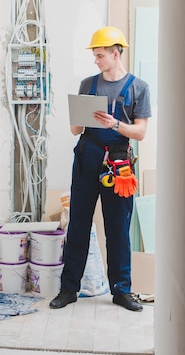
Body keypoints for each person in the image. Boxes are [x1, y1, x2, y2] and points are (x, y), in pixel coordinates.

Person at [49, 26, 152, 311]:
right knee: (79, 225)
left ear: (115, 53)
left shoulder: (138, 88)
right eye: (95, 56)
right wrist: (80, 118)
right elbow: (74, 129)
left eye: (100, 55)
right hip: (87, 158)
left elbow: (141, 132)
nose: (96, 60)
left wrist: (115, 124)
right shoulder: (87, 84)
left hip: (118, 163)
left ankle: (121, 291)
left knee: (118, 228)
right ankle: (69, 289)